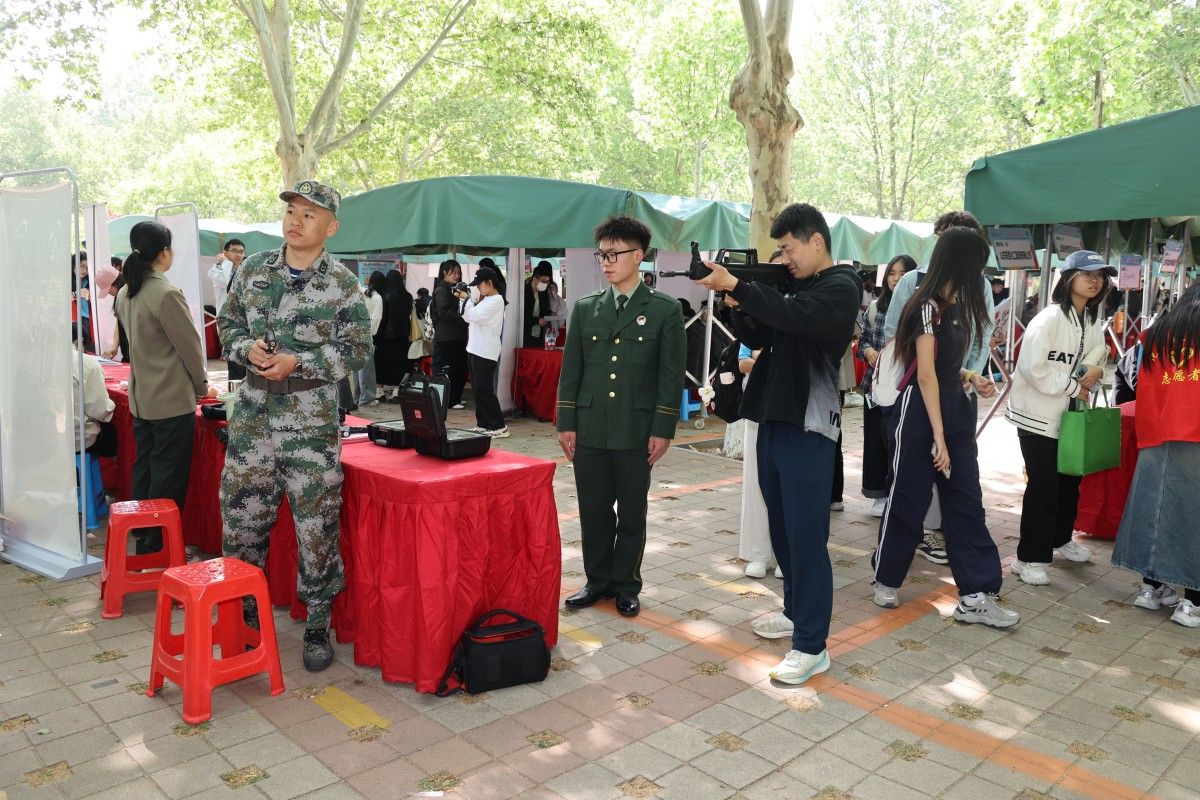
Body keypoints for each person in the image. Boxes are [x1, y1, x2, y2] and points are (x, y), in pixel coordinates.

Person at [696, 203, 861, 686]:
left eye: (788, 249)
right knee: (783, 530)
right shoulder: (798, 284)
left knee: (806, 537)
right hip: (772, 417)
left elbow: (795, 317)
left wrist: (741, 287)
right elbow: (764, 333)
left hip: (808, 425)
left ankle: (811, 646)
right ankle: (794, 612)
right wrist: (737, 302)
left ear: (816, 241)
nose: (784, 259)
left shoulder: (842, 285)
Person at [218, 180, 371, 672]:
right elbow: (228, 324)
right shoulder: (254, 269)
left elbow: (357, 349)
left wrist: (298, 362)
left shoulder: (342, 283)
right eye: (291, 211)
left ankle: (317, 622)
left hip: (310, 425)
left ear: (331, 227)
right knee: (242, 519)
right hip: (252, 419)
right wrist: (246, 349)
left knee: (316, 525)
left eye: (309, 214)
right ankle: (244, 613)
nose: (296, 221)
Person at [873, 227, 1018, 629]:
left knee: (966, 499)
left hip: (955, 406)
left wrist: (973, 377)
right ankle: (887, 577)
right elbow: (925, 375)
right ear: (960, 262)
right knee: (908, 496)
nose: (982, 273)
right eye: (978, 264)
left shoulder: (963, 306)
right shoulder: (925, 305)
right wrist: (938, 436)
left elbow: (950, 366)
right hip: (920, 411)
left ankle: (976, 595)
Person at [558, 216, 685, 619]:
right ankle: (597, 581)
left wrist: (663, 428)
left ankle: (627, 585)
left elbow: (670, 376)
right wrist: (566, 423)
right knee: (594, 510)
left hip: (635, 429)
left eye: (614, 254)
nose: (606, 262)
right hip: (591, 428)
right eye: (602, 255)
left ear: (638, 256)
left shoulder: (664, 310)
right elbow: (571, 371)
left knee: (632, 513)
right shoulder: (586, 309)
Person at [883, 211, 993, 564]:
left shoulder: (977, 288)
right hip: (918, 396)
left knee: (962, 487)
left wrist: (969, 376)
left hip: (957, 394)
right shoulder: (918, 291)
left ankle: (971, 576)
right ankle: (891, 567)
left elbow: (982, 336)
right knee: (910, 486)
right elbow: (899, 343)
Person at [1006, 251, 1113, 585]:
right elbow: (1031, 367)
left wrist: (1096, 372)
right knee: (1044, 487)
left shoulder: (1091, 320)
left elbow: (1097, 359)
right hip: (1036, 416)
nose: (1095, 281)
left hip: (1071, 417)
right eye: (1087, 274)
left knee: (1069, 482)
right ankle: (1028, 558)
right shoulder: (1049, 318)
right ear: (1067, 279)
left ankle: (1061, 537)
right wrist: (1073, 386)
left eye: (1100, 276)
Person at [116, 221, 214, 551]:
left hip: (142, 396)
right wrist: (202, 387)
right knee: (167, 475)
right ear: (164, 253)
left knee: (145, 467)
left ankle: (141, 533)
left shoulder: (126, 292)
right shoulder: (165, 293)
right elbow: (190, 347)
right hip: (170, 398)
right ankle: (156, 544)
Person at [1112, 283, 1200, 627]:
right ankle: (1193, 602)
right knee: (1191, 517)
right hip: (1194, 435)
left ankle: (1151, 588)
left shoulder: (1156, 334)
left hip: (1155, 431)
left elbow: (1134, 380)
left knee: (1154, 511)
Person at [858, 254, 918, 517]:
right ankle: (879, 495)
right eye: (892, 273)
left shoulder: (919, 308)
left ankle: (899, 493)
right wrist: (868, 351)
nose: (896, 279)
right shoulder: (875, 308)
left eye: (902, 274)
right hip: (875, 385)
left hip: (906, 386)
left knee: (900, 441)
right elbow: (863, 341)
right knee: (875, 441)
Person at [739, 251, 786, 581]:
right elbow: (744, 357)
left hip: (793, 411)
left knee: (789, 488)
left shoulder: (805, 304)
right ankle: (757, 552)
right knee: (756, 482)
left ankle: (786, 554)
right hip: (759, 405)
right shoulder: (754, 306)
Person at [456, 265, 509, 437]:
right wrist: (463, 300)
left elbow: (475, 316)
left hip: (486, 351)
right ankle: (484, 424)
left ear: (490, 283)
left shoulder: (497, 300)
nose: (478, 287)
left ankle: (499, 426)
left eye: (480, 284)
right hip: (475, 349)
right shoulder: (486, 299)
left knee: (485, 390)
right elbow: (467, 316)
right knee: (478, 391)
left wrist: (467, 299)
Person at [71, 323, 116, 456]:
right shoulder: (85, 362)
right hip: (79, 439)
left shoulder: (38, 361)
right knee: (110, 429)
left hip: (46, 436)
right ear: (80, 341)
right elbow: (102, 411)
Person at [431, 259, 469, 409]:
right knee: (450, 369)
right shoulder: (442, 290)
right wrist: (462, 315)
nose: (457, 276)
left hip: (457, 335)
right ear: (444, 273)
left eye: (458, 273)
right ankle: (449, 400)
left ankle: (455, 398)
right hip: (447, 337)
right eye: (454, 273)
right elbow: (444, 312)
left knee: (460, 368)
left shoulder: (455, 289)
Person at [211, 239, 248, 381]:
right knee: (235, 363)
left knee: (248, 363)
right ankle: (235, 393)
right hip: (229, 322)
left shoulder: (247, 270)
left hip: (246, 322)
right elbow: (224, 281)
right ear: (225, 253)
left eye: (241, 252)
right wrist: (226, 263)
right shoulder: (216, 270)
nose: (238, 255)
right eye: (234, 251)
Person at [375, 269, 413, 399]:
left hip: (385, 337)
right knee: (399, 363)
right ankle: (396, 391)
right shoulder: (408, 296)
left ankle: (380, 391)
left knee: (382, 363)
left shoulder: (384, 296)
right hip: (402, 336)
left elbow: (383, 317)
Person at [359, 270, 386, 405]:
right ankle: (367, 398)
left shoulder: (362, 293)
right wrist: (372, 333)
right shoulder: (377, 298)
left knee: (357, 370)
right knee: (367, 370)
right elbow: (376, 319)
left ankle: (358, 397)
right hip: (366, 335)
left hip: (354, 333)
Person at [523, 260, 556, 348]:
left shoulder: (542, 292)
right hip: (524, 334)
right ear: (535, 279)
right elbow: (522, 315)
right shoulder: (525, 292)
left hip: (538, 333)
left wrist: (549, 315)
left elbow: (545, 309)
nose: (545, 284)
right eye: (543, 281)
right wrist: (537, 321)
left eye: (547, 282)